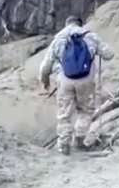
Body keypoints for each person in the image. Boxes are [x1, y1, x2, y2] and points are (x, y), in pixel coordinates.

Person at [39, 16, 114, 154]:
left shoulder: (58, 39)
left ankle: (64, 145)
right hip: (86, 80)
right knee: (85, 111)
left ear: (67, 24)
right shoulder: (91, 36)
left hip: (64, 80)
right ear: (81, 24)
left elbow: (45, 67)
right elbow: (109, 54)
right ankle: (79, 142)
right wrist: (96, 51)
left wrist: (45, 81)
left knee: (64, 114)